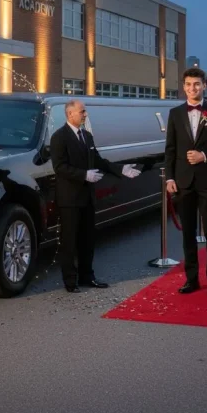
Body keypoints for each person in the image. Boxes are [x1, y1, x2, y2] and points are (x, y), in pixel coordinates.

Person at [49, 100, 141, 293]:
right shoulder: (59, 137)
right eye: (82, 111)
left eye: (85, 111)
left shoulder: (87, 136)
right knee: (69, 241)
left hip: (87, 197)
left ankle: (87, 276)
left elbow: (98, 160)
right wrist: (84, 175)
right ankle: (70, 281)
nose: (85, 115)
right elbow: (59, 167)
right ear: (70, 114)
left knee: (87, 240)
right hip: (70, 199)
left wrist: (120, 169)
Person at [164, 67, 207, 297]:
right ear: (183, 86)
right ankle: (191, 279)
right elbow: (170, 149)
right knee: (187, 234)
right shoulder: (174, 114)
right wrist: (170, 177)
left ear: (205, 85)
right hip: (183, 181)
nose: (193, 88)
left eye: (197, 84)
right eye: (189, 84)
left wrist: (205, 155)